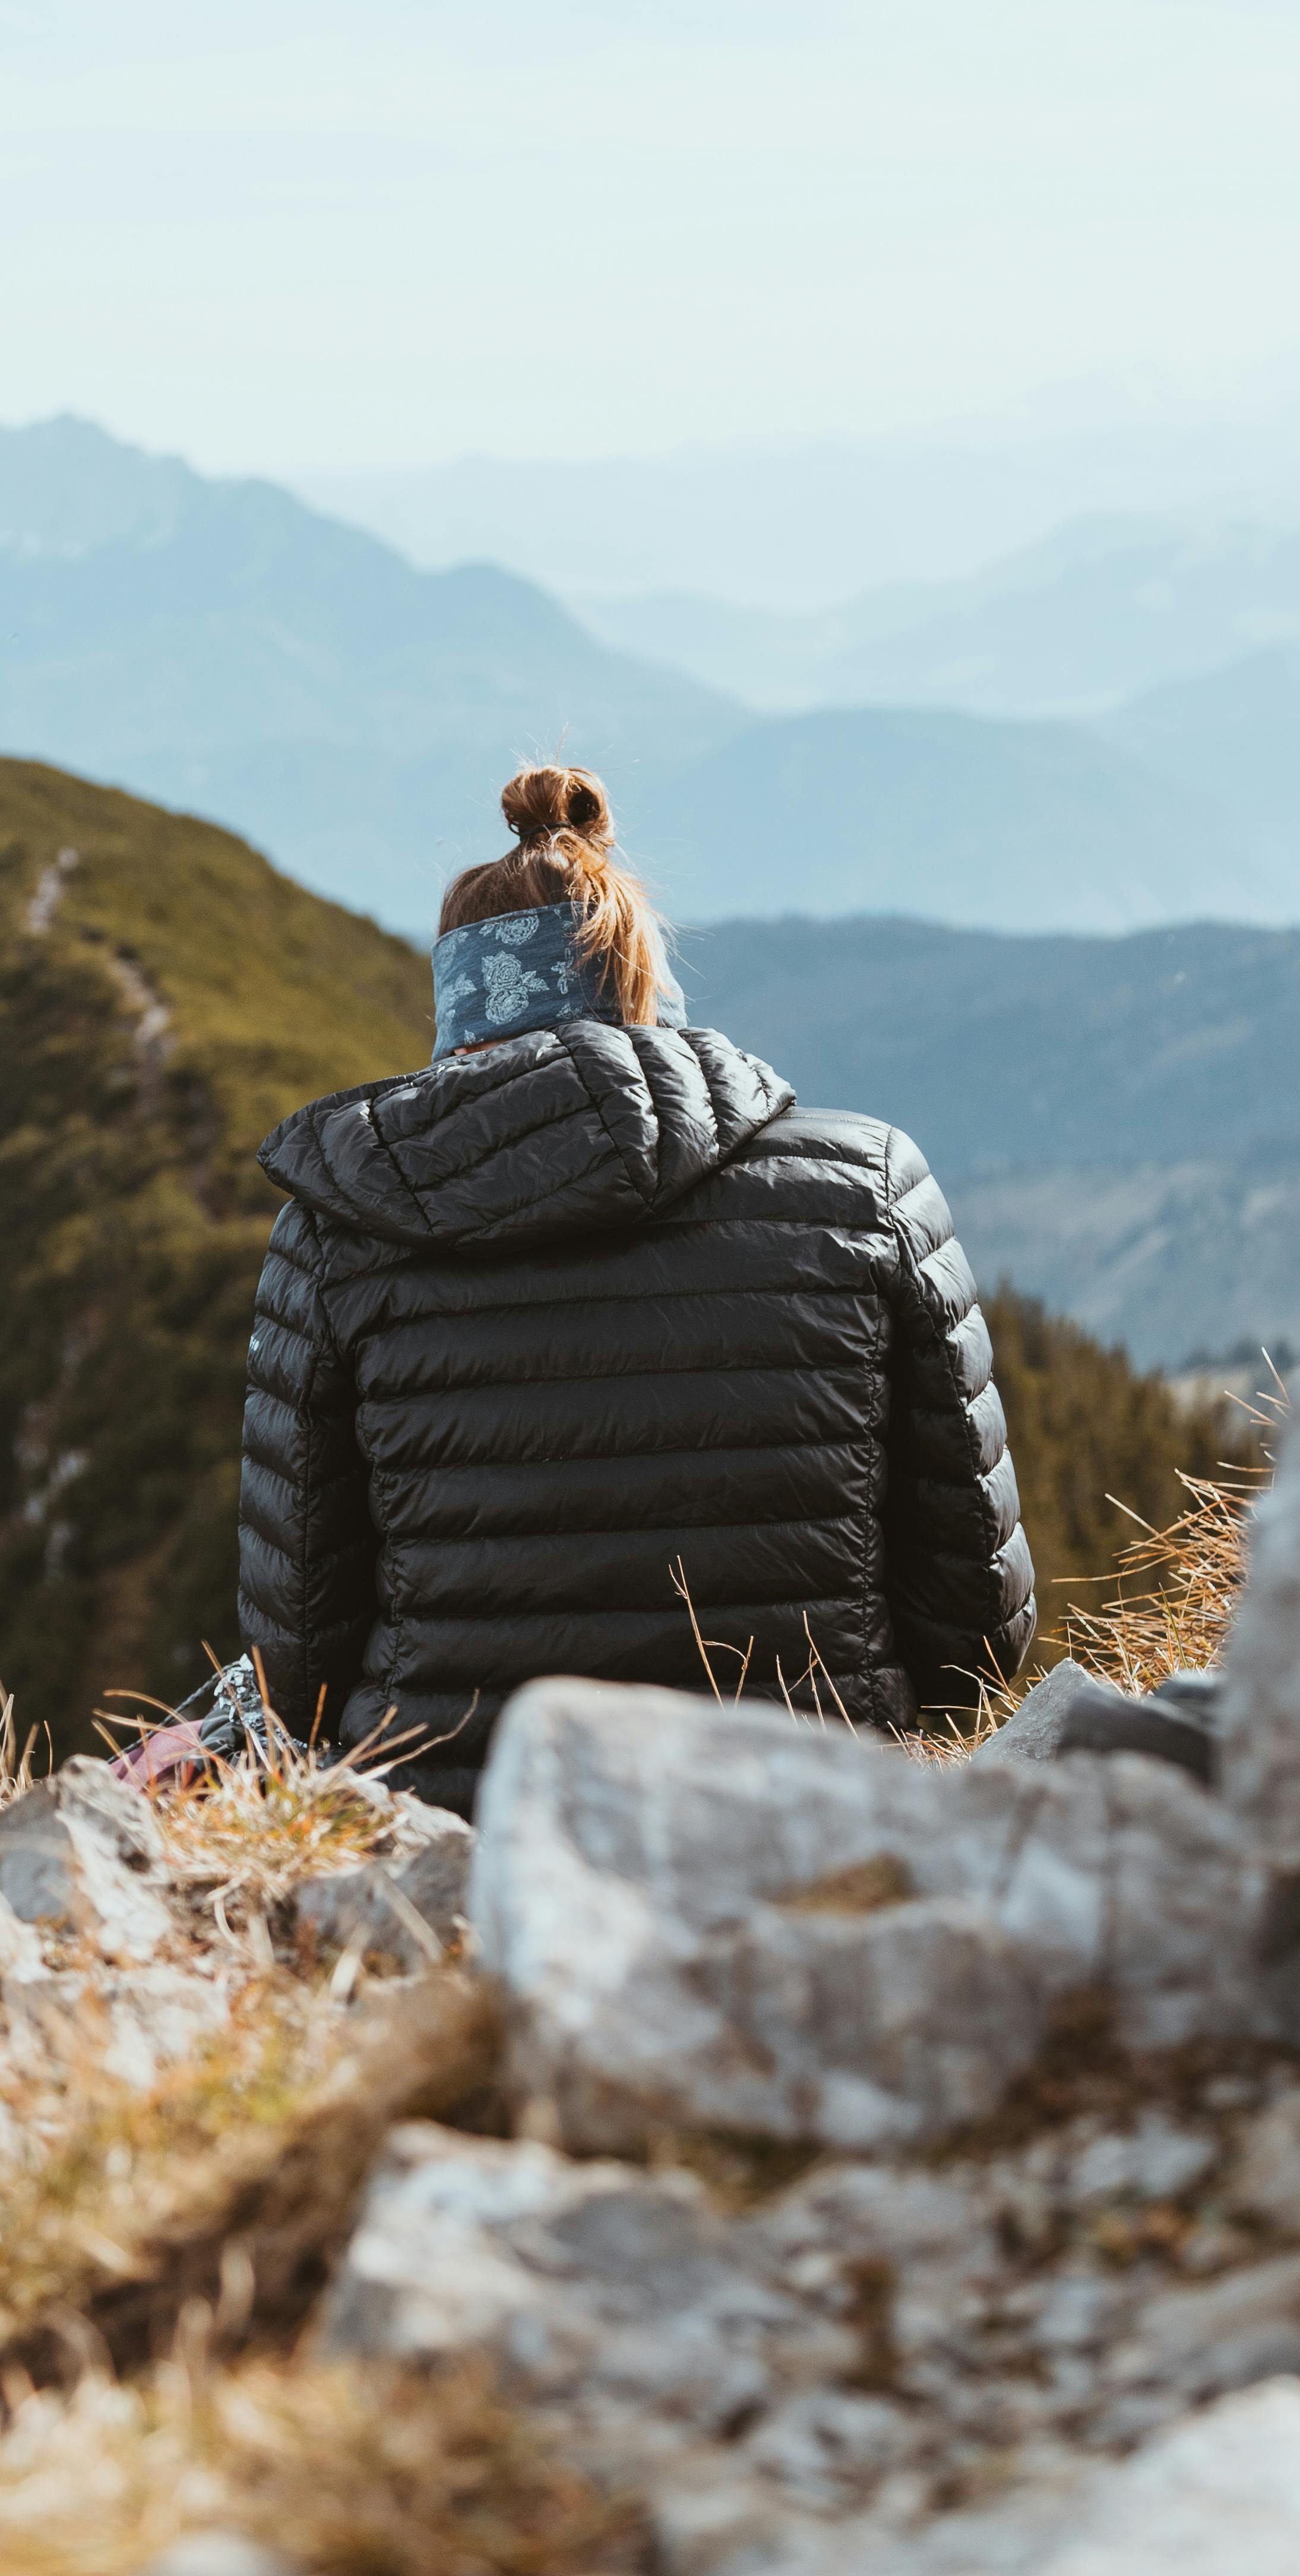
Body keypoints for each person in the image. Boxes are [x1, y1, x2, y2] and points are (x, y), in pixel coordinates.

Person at [233, 763, 1035, 1813]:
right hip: (816, 1821)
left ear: (457, 1003)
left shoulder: (335, 1236)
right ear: (643, 986)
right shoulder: (869, 1185)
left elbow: (296, 1663)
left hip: (462, 1843)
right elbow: (978, 1619)